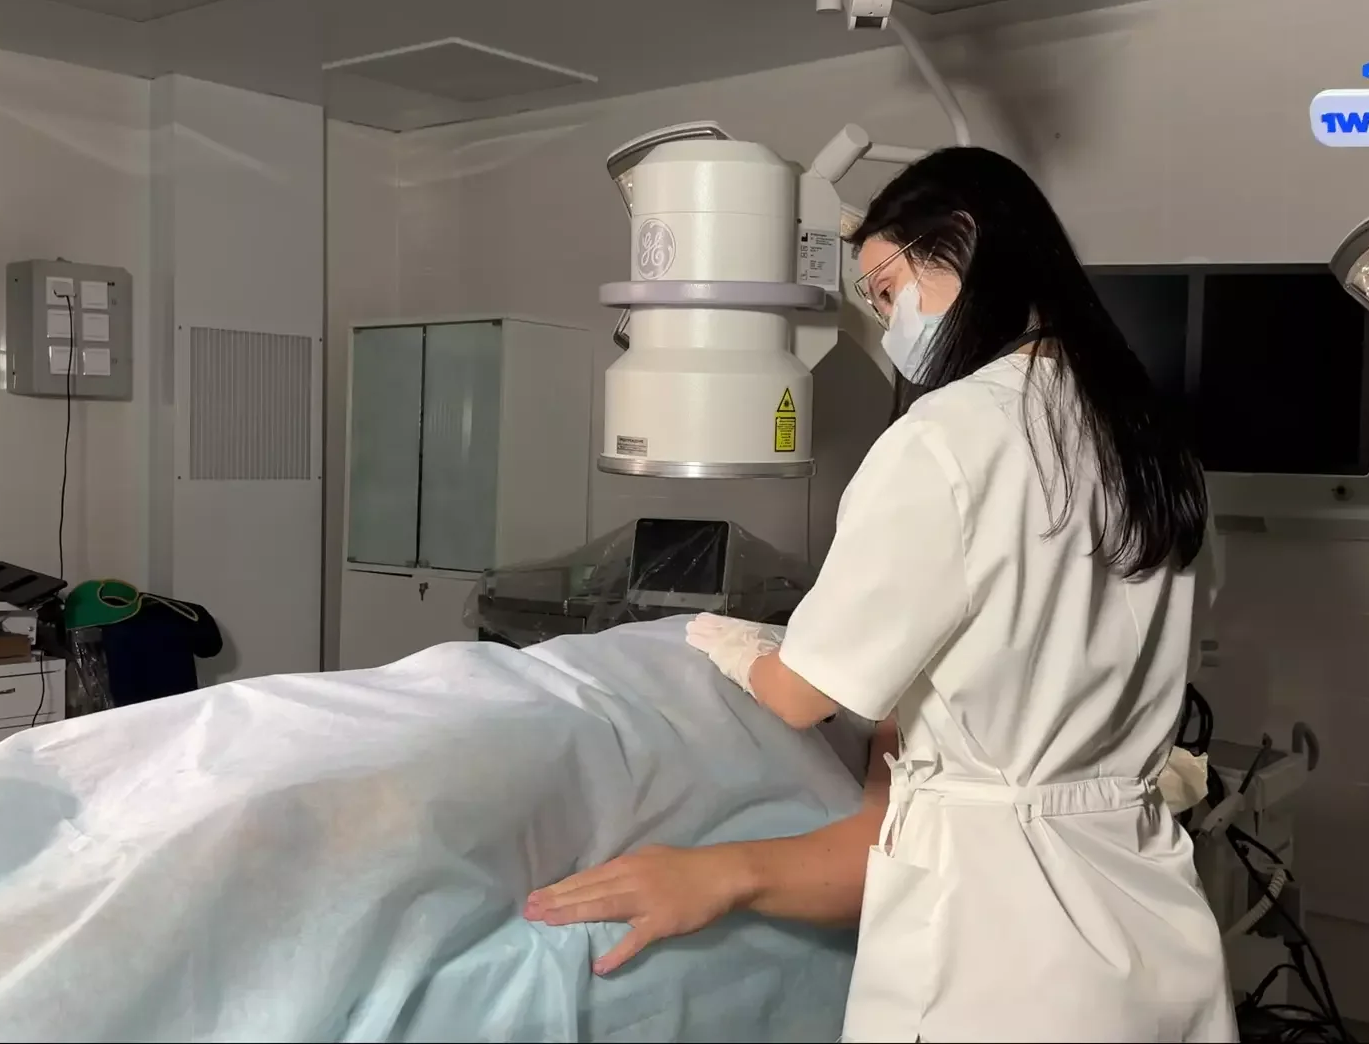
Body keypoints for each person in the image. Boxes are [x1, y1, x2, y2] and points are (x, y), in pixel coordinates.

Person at [525, 146, 1234, 1042]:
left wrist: (741, 648)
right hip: (1147, 912)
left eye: (889, 291)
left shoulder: (952, 433)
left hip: (1005, 942)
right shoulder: (1155, 445)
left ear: (960, 242)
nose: (891, 322)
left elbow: (802, 697)